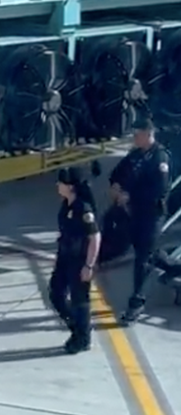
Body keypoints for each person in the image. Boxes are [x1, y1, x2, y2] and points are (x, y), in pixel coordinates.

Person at [110, 117, 171, 324]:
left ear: (148, 134)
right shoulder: (135, 155)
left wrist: (131, 196)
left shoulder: (159, 158)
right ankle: (175, 269)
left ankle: (136, 303)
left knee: (143, 259)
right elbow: (118, 172)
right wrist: (116, 185)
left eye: (137, 134)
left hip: (151, 214)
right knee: (150, 253)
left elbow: (159, 190)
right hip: (134, 213)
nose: (134, 138)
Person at [51, 168, 101, 354]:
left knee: (80, 300)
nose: (58, 185)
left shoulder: (83, 209)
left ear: (70, 186)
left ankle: (82, 337)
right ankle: (77, 328)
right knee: (56, 294)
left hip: (79, 261)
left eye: (61, 182)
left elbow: (95, 237)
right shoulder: (67, 204)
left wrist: (88, 265)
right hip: (64, 258)